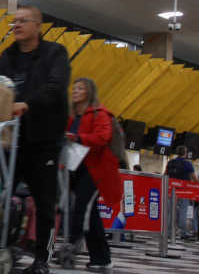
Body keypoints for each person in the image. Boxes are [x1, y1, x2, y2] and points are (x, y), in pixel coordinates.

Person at [0, 4, 71, 274]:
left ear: (38, 25)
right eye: (14, 21)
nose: (17, 25)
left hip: (44, 140)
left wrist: (27, 104)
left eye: (23, 21)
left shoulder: (55, 54)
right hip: (12, 141)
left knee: (45, 202)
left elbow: (56, 87)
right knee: (1, 196)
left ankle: (42, 259)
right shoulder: (8, 56)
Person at [64, 78, 120, 274]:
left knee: (83, 209)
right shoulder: (71, 115)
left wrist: (78, 138)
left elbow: (103, 137)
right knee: (92, 214)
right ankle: (102, 259)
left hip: (96, 170)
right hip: (76, 168)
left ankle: (72, 244)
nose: (75, 91)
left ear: (89, 92)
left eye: (80, 88)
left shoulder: (99, 113)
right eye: (75, 87)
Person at [166, 146, 198, 240]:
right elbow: (194, 177)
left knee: (170, 211)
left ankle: (168, 231)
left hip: (171, 190)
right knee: (183, 211)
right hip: (184, 191)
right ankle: (183, 232)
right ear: (185, 153)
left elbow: (165, 175)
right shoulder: (188, 164)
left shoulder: (170, 162)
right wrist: (198, 185)